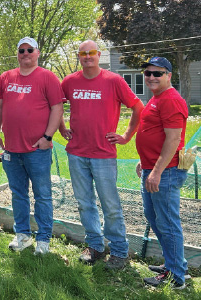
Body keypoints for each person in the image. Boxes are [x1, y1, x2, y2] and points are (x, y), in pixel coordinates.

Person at [59, 40, 144, 269]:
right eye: (83, 53)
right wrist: (61, 127)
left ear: (99, 55)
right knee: (84, 203)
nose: (88, 56)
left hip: (103, 154)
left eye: (92, 53)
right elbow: (55, 105)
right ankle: (95, 246)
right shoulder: (69, 81)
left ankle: (119, 251)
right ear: (79, 56)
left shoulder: (113, 80)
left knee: (110, 204)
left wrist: (126, 136)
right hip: (76, 152)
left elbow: (137, 107)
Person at [0, 37, 64, 255]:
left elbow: (57, 108)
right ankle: (22, 235)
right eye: (21, 50)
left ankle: (43, 240)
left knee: (42, 195)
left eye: (29, 50)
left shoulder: (47, 77)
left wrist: (48, 137)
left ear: (37, 52)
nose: (25, 53)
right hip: (12, 150)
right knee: (18, 194)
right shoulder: (6, 77)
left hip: (37, 150)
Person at [135, 57, 189, 289]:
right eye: (147, 73)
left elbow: (174, 139)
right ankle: (173, 265)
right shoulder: (157, 98)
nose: (151, 77)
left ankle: (177, 277)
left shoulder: (171, 100)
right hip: (152, 169)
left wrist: (156, 171)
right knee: (156, 219)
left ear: (168, 75)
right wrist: (143, 161)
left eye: (157, 73)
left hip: (165, 173)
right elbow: (152, 133)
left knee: (167, 223)